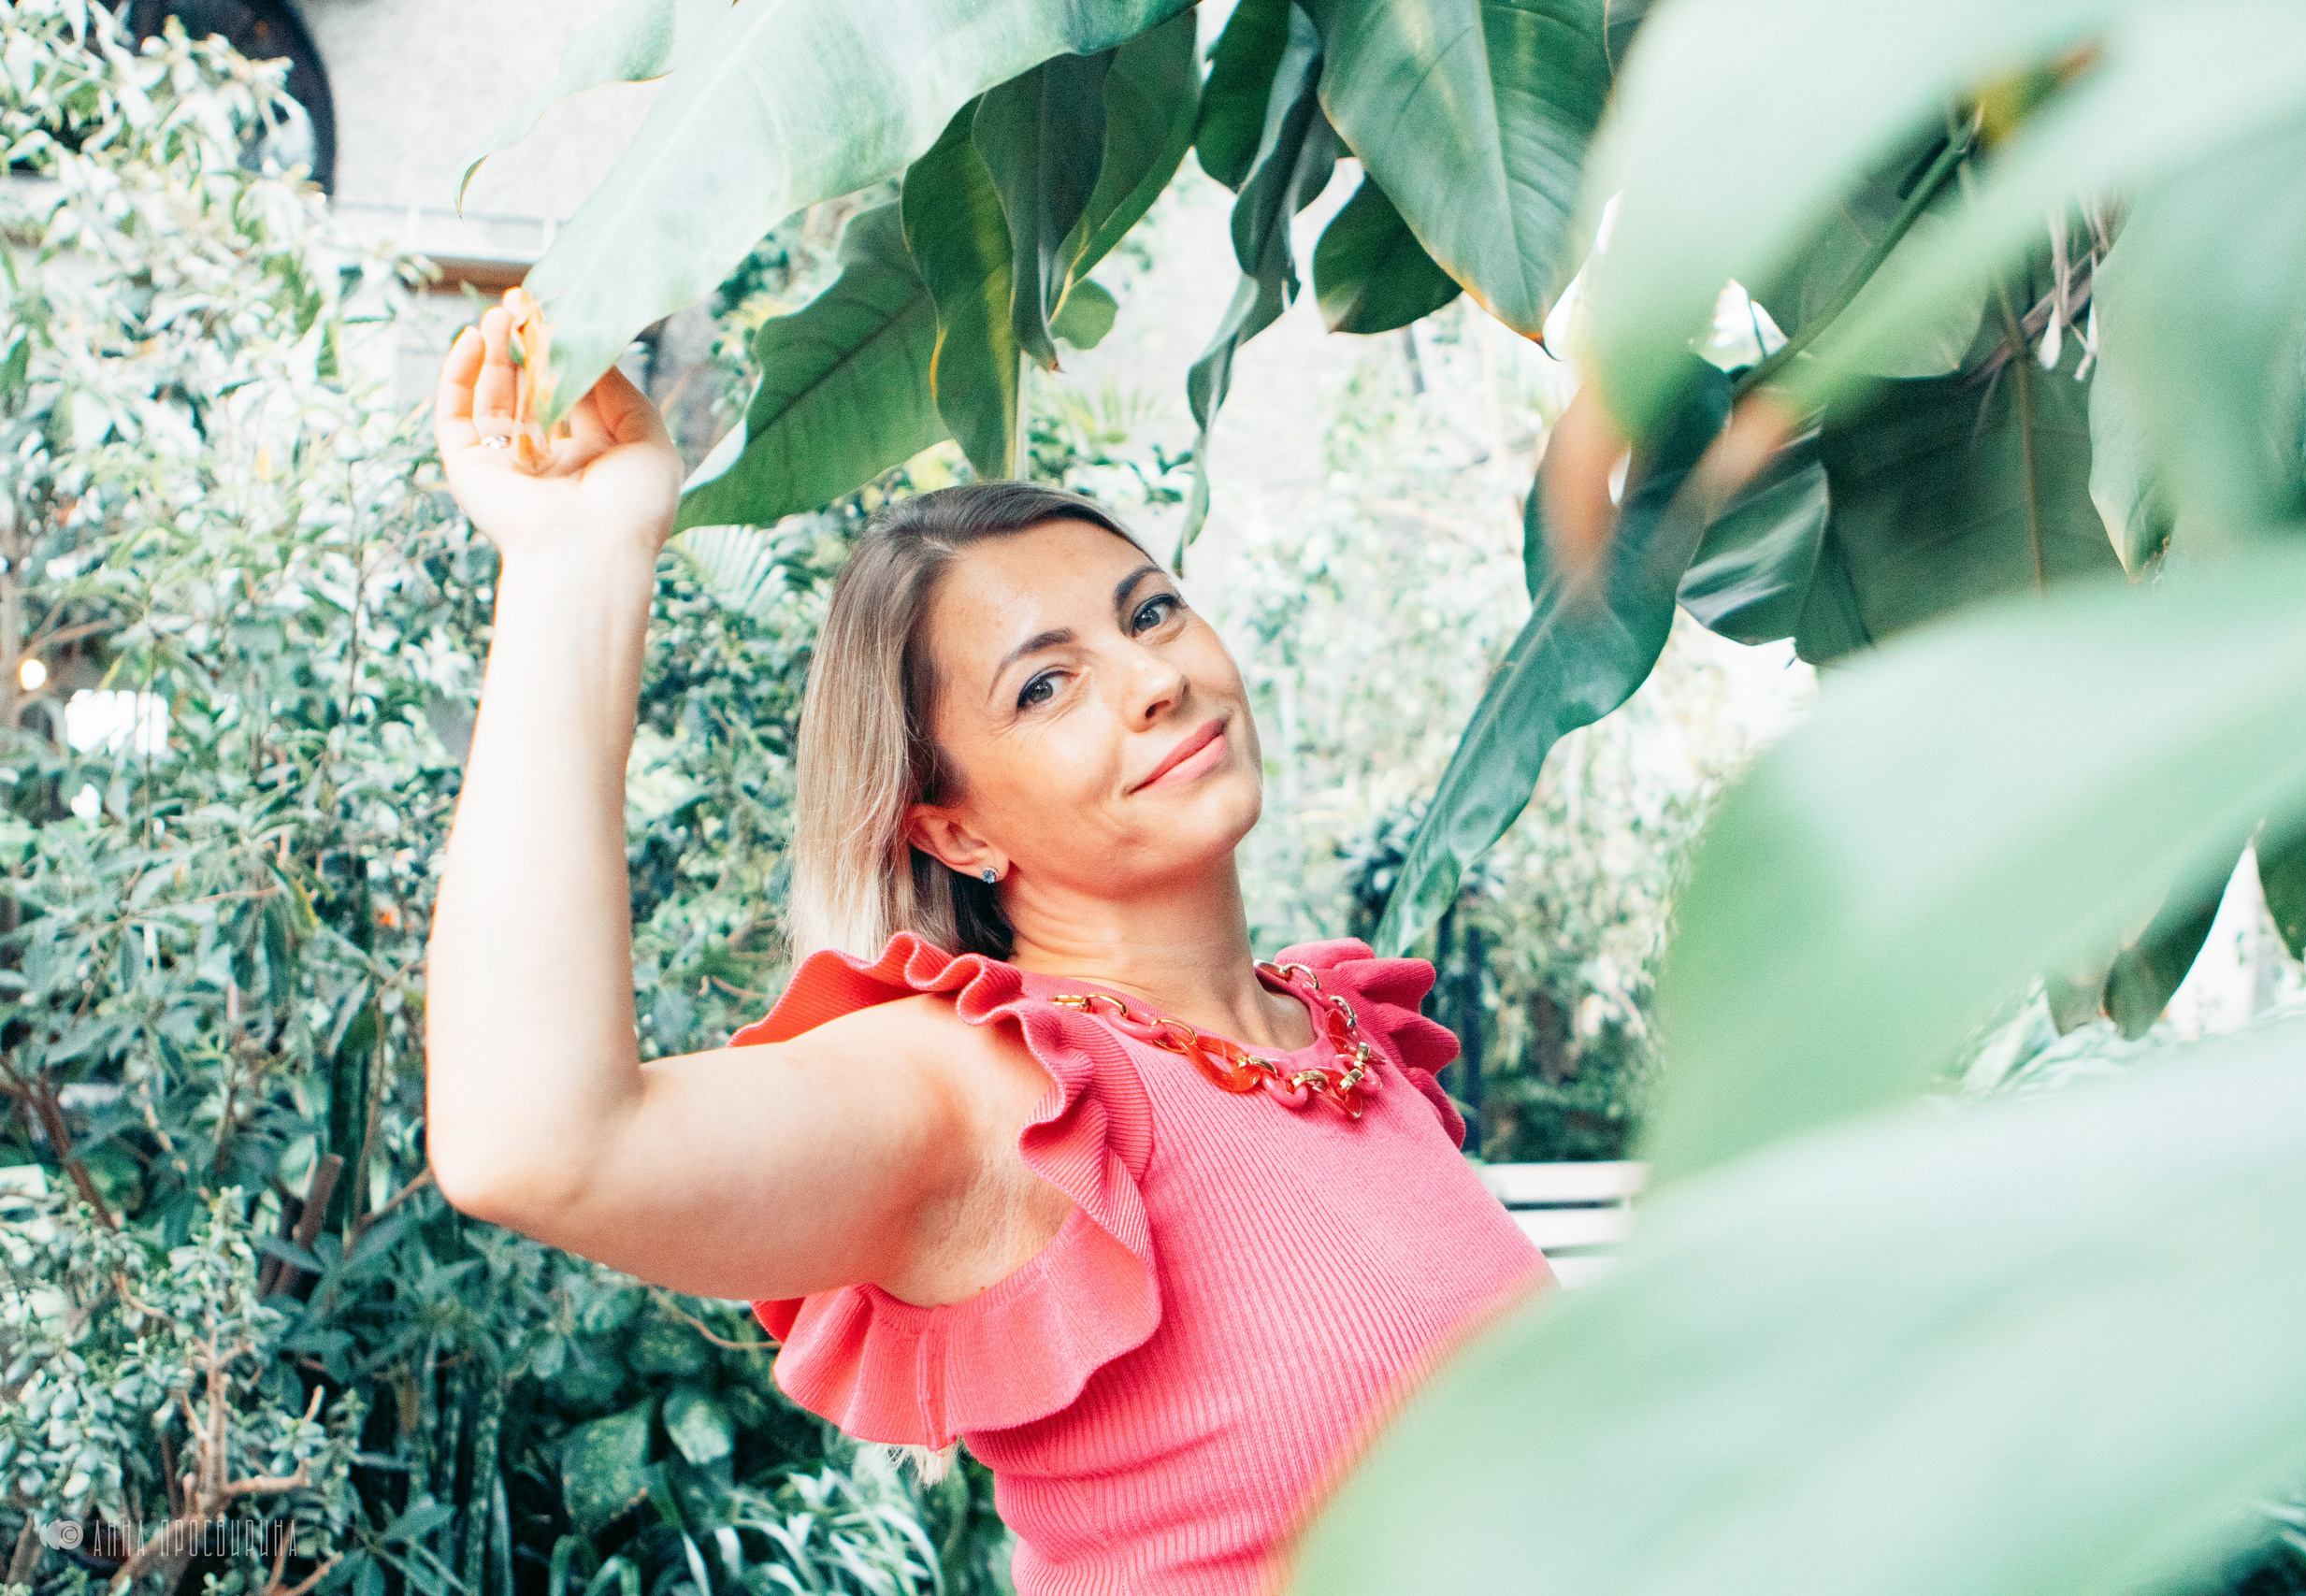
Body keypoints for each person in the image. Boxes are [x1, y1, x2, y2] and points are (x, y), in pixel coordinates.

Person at [423, 297, 1558, 1596]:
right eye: (1044, 684)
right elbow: (535, 1141)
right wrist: (583, 558)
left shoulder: (1345, 1038)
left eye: (1151, 611)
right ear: (952, 829)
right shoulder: (997, 1096)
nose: (1155, 679)